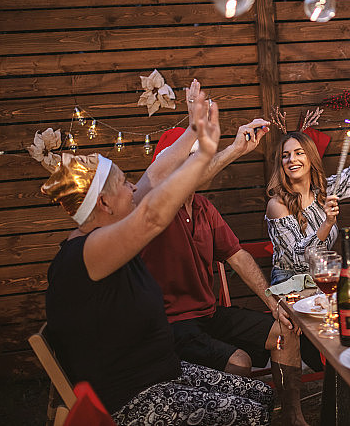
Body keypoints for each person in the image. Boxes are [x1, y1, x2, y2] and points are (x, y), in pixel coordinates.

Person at [42, 89, 273, 425]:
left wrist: (194, 131)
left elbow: (156, 174)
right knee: (250, 413)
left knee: (263, 395)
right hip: (131, 399)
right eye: (124, 183)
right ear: (103, 204)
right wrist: (205, 151)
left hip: (161, 374)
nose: (135, 187)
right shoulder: (88, 252)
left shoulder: (108, 231)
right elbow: (151, 215)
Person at [140, 87, 310, 426]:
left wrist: (273, 300)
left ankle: (292, 417)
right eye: (188, 160)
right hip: (171, 324)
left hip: (210, 313)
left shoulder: (203, 207)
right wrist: (234, 149)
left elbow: (238, 257)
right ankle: (242, 418)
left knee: (284, 329)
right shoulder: (155, 208)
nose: (194, 166)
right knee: (240, 361)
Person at [266, 131, 350, 284]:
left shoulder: (322, 191)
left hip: (322, 273)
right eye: (285, 155)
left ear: (311, 157)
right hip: (291, 281)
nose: (291, 159)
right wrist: (327, 223)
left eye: (299, 153)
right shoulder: (277, 205)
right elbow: (300, 260)